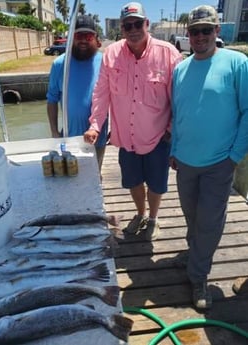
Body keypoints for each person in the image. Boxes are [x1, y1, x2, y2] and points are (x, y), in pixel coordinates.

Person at [170, 5, 248, 310]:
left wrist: (234, 156)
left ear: (217, 32)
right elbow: (178, 114)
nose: (200, 36)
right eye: (194, 31)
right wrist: (174, 149)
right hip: (185, 162)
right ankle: (196, 254)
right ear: (188, 35)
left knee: (209, 222)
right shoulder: (180, 68)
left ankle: (199, 276)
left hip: (220, 163)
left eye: (206, 30)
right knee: (192, 217)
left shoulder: (238, 63)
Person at [84, 2, 182, 240]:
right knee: (133, 181)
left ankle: (154, 218)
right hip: (126, 137)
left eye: (138, 23)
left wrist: (172, 131)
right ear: (122, 28)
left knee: (157, 184)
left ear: (147, 24)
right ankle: (140, 213)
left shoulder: (169, 53)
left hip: (159, 135)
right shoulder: (111, 53)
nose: (133, 29)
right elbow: (101, 92)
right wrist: (95, 124)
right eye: (128, 25)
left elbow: (180, 98)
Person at [47, 15, 108, 171]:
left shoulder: (106, 62)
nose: (83, 40)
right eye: (78, 35)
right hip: (69, 136)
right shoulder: (59, 64)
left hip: (98, 138)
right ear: (71, 38)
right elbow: (52, 100)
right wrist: (54, 132)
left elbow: (116, 97)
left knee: (95, 175)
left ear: (95, 38)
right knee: (70, 176)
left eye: (88, 36)